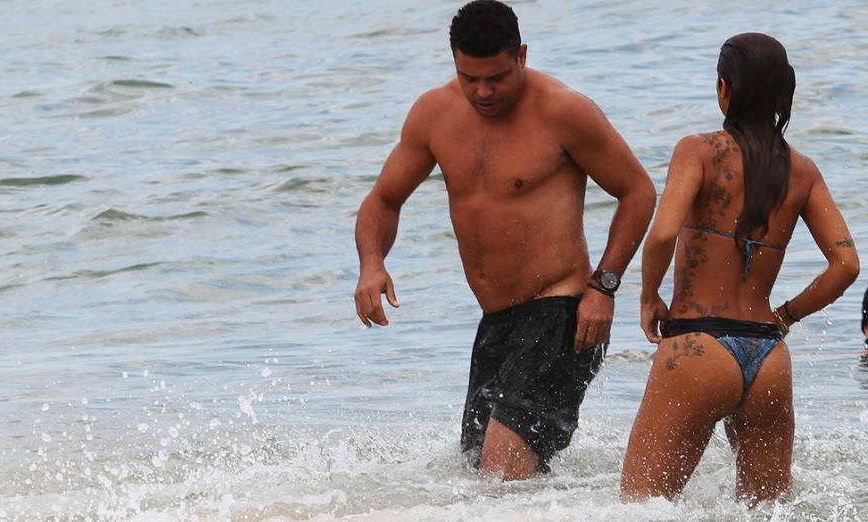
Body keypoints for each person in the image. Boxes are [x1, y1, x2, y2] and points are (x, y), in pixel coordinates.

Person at [353, 0, 655, 480]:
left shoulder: (563, 111)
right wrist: (372, 263)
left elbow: (637, 191)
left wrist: (604, 287)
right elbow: (383, 200)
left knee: (502, 471)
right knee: (483, 476)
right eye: (469, 78)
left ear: (522, 56)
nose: (483, 91)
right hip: (496, 323)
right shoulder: (434, 114)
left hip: (563, 313)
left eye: (496, 77)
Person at [620, 33, 860, 504]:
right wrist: (787, 315)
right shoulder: (803, 170)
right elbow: (847, 264)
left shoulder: (698, 150)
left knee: (638, 507)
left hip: (697, 347)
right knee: (767, 511)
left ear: (724, 89)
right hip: (769, 357)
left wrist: (649, 296)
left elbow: (664, 233)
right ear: (782, 94)